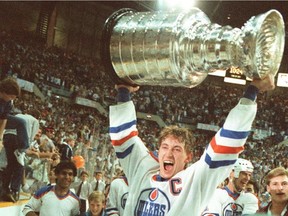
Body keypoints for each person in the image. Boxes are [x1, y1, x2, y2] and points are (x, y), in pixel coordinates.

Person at [109, 74, 275, 216]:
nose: (168, 154)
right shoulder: (142, 170)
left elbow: (226, 145)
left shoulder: (195, 181)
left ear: (188, 156)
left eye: (176, 149)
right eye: (165, 147)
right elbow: (122, 137)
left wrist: (252, 90)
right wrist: (124, 90)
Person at [0, 77, 21, 151]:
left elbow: (3, 119)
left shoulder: (8, 102)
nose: (12, 99)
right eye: (11, 97)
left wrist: (0, 137)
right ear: (4, 92)